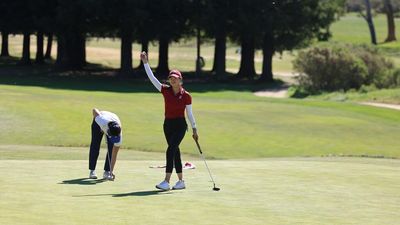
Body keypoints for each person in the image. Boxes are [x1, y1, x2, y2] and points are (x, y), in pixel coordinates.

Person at [140, 51, 198, 191]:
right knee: (175, 151)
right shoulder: (165, 90)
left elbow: (189, 114)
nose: (173, 80)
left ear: (180, 80)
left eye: (175, 78)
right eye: (171, 78)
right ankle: (181, 181)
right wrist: (146, 63)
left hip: (180, 125)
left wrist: (194, 129)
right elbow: (152, 78)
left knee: (170, 149)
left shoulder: (186, 96)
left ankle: (166, 181)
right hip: (167, 125)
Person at [88, 108, 122, 181]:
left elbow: (114, 153)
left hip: (113, 119)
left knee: (111, 148)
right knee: (95, 144)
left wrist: (111, 171)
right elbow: (94, 110)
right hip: (99, 122)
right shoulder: (101, 120)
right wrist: (101, 127)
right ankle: (92, 170)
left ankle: (107, 171)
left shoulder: (118, 134)